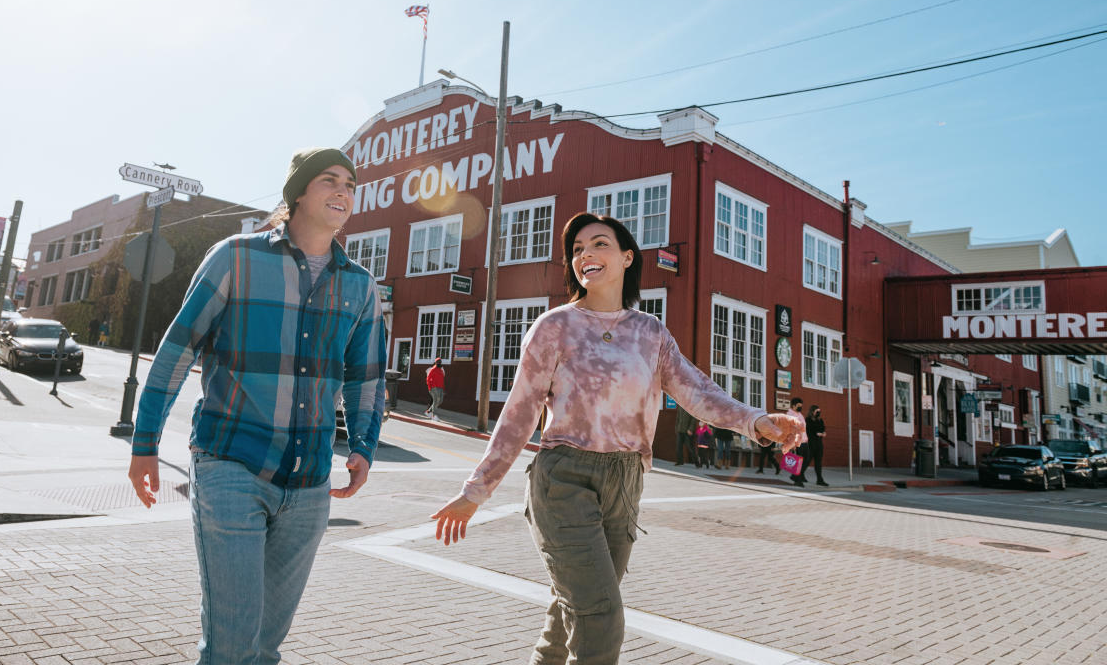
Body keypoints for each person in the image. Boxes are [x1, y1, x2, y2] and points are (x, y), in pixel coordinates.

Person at [431, 212, 804, 665]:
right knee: (601, 617)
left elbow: (699, 392)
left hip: (625, 484)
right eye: (577, 249)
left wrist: (757, 421)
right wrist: (476, 491)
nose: (585, 254)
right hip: (564, 478)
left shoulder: (650, 333)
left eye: (599, 243)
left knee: (569, 612)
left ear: (627, 257)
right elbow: (519, 414)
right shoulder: (554, 327)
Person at [127, 147, 386, 664]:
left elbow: (366, 378)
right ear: (297, 193)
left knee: (266, 645)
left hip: (310, 483)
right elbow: (177, 352)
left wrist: (363, 446)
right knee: (231, 645)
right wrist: (145, 443)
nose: (343, 191)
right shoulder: (236, 257)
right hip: (231, 465)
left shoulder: (360, 285)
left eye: (351, 184)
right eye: (330, 180)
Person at [802, 404, 828, 486]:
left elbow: (823, 428)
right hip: (810, 444)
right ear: (812, 411)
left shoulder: (820, 420)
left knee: (818, 462)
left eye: (819, 411)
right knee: (807, 461)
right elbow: (808, 431)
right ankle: (800, 475)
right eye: (817, 411)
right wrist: (817, 433)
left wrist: (823, 433)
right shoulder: (808, 420)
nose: (819, 413)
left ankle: (819, 480)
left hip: (819, 444)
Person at [787, 397, 808, 486]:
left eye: (801, 406)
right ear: (793, 405)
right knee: (798, 462)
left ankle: (795, 476)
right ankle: (797, 481)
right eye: (799, 406)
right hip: (797, 442)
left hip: (804, 441)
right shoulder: (789, 415)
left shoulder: (800, 415)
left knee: (806, 460)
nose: (800, 408)